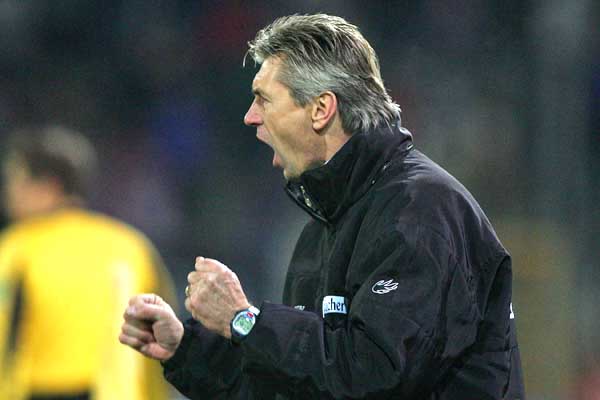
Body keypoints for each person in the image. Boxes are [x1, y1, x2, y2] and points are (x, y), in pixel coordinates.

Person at [119, 14, 526, 399]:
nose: (250, 117)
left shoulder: (420, 211)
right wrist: (187, 349)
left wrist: (245, 320)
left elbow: (376, 375)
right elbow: (298, 384)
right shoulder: (325, 223)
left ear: (320, 109)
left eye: (263, 99)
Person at [0, 126, 177, 400]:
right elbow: (164, 341)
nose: (8, 193)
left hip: (41, 392)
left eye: (15, 180)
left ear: (48, 187)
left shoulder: (17, 249)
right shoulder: (131, 246)